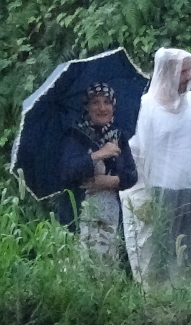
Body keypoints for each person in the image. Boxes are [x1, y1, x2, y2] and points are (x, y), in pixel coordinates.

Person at [120, 48, 191, 289]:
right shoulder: (145, 107)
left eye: (190, 71)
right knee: (158, 258)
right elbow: (134, 155)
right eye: (183, 71)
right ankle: (160, 304)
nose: (188, 77)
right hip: (160, 195)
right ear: (167, 71)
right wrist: (139, 197)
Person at [55, 82, 138, 264]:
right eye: (95, 102)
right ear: (86, 107)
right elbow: (66, 171)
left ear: (113, 106)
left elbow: (131, 175)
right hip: (80, 213)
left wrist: (111, 181)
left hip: (111, 214)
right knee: (81, 264)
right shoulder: (74, 136)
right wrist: (98, 155)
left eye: (107, 102)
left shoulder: (118, 136)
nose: (102, 108)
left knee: (110, 264)